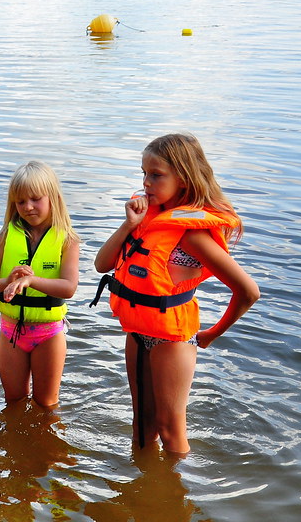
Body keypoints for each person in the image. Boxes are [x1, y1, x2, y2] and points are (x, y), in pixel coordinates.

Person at [91, 133, 259, 455]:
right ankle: (143, 490)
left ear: (183, 179)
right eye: (143, 173)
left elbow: (248, 292)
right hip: (138, 331)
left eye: (156, 175)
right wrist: (129, 225)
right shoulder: (144, 221)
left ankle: (177, 496)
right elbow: (102, 265)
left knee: (170, 430)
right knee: (142, 424)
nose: (146, 182)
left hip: (173, 340)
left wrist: (210, 334)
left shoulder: (193, 237)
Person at [0, 161, 79, 408]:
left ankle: (48, 445)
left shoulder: (67, 239)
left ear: (52, 197)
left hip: (48, 333)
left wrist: (31, 280)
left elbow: (69, 288)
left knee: (46, 403)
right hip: (11, 332)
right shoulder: (6, 236)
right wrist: (6, 280)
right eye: (21, 202)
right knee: (13, 400)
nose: (28, 207)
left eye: (35, 199)